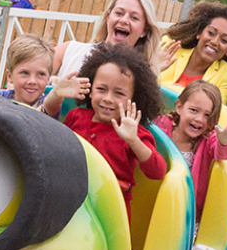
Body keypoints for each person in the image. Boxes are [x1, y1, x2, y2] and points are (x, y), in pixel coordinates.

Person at [64, 44, 167, 221]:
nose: (108, 99)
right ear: (90, 88)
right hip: (71, 201)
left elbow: (158, 171)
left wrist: (133, 140)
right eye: (101, 89)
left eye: (119, 93)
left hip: (109, 213)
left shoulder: (134, 132)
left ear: (134, 99)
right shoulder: (76, 117)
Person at [154, 80, 227, 215]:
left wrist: (224, 142)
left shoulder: (207, 139)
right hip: (153, 196)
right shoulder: (161, 125)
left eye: (207, 115)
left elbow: (222, 154)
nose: (200, 119)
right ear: (179, 107)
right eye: (194, 110)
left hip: (185, 209)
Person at [54, 0, 172, 78]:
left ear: (144, 30)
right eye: (119, 13)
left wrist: (149, 72)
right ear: (108, 17)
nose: (124, 20)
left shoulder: (138, 78)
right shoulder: (68, 51)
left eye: (134, 18)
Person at [158, 1, 227, 104]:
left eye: (224, 40)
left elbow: (215, 110)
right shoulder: (170, 46)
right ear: (199, 33)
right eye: (211, 33)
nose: (214, 42)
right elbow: (143, 79)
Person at [0, 34, 90, 115]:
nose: (32, 81)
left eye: (41, 74)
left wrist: (56, 93)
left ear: (48, 78)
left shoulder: (43, 103)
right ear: (9, 76)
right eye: (25, 73)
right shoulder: (0, 97)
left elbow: (50, 106)